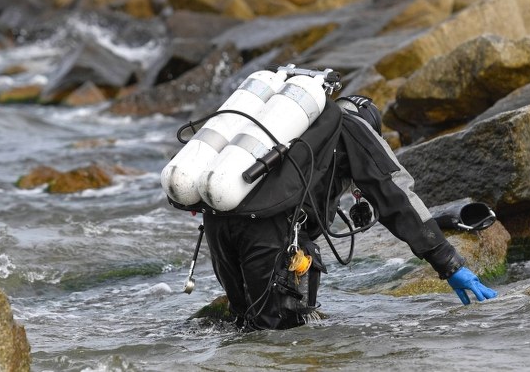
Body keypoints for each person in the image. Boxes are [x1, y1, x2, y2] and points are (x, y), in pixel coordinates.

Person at [175, 93, 497, 331]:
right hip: (269, 233)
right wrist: (450, 265)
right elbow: (395, 196)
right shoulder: (354, 129)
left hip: (218, 220)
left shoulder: (296, 129)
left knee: (244, 327)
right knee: (278, 339)